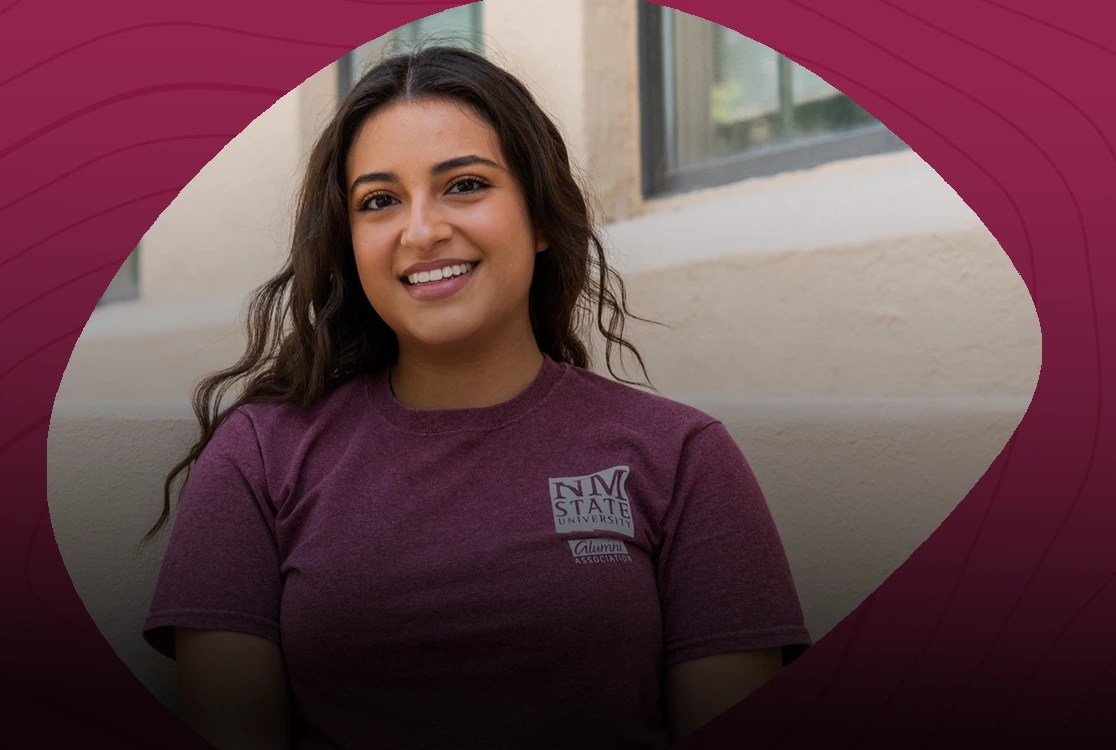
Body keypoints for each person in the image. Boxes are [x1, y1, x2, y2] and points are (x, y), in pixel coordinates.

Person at [140, 46, 810, 750]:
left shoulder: (681, 458)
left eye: (464, 185)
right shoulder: (257, 458)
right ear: (349, 244)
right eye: (379, 201)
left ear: (543, 217)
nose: (422, 231)